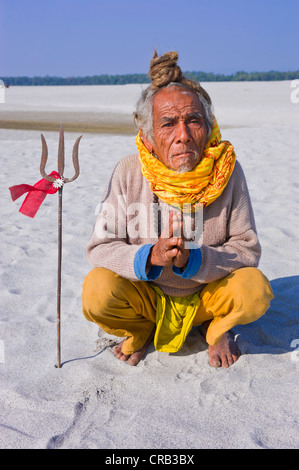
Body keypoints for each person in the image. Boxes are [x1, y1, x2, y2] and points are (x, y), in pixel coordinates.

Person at [82, 51, 273, 368]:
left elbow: (247, 248)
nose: (183, 136)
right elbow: (100, 247)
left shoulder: (228, 172)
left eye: (193, 121)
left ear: (209, 127)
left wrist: (194, 259)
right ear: (149, 137)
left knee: (254, 289)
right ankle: (139, 329)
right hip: (146, 296)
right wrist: (150, 257)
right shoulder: (129, 171)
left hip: (208, 296)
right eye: (168, 124)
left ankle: (217, 329)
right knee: (97, 291)